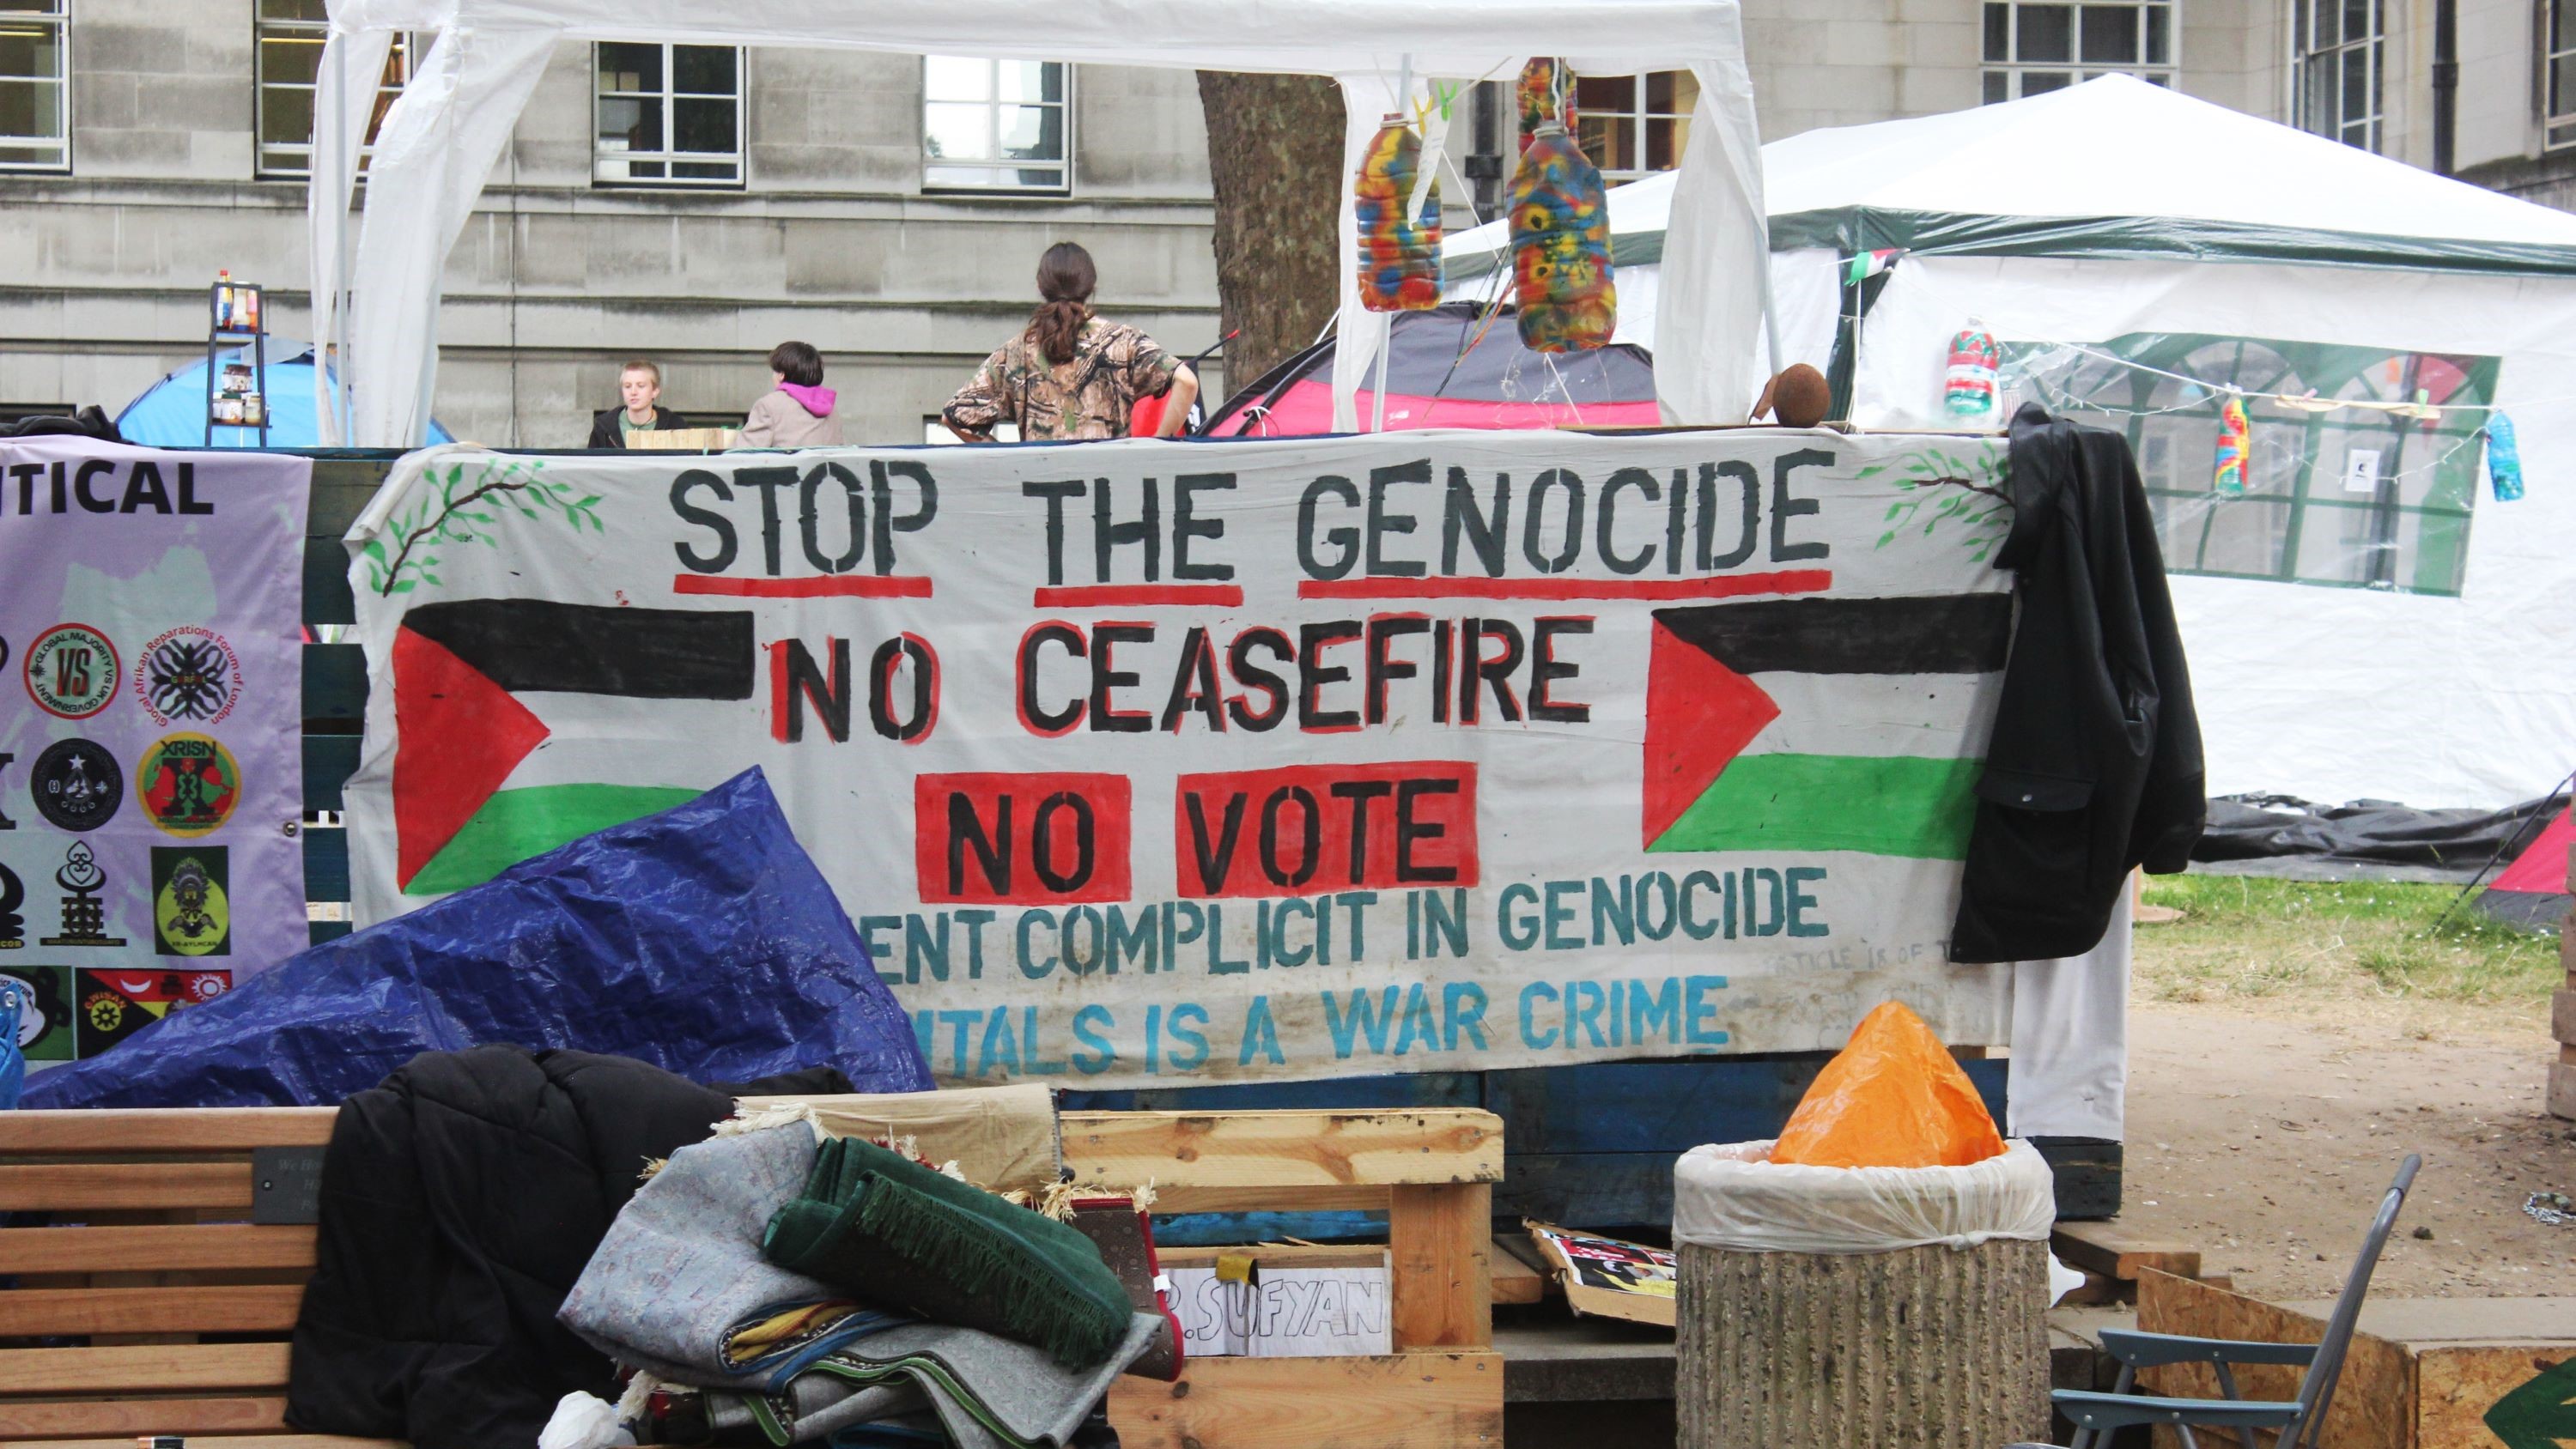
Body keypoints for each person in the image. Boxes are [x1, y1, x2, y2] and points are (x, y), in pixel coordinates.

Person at [943, 242, 1197, 442]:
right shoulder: (1123, 341)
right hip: (1110, 495)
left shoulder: (1016, 351)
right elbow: (1186, 381)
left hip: (1041, 496)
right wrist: (1158, 445)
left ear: (1040, 285)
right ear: (1091, 285)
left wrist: (1007, 463)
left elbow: (955, 416)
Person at [738, 342, 843, 447]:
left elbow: (744, 454)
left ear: (781, 375)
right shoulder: (831, 409)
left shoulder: (769, 406)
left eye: (774, 371)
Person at [587, 360, 687, 448]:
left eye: (641, 386)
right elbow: (591, 466)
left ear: (655, 391)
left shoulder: (675, 425)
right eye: (627, 386)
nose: (633, 392)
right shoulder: (603, 427)